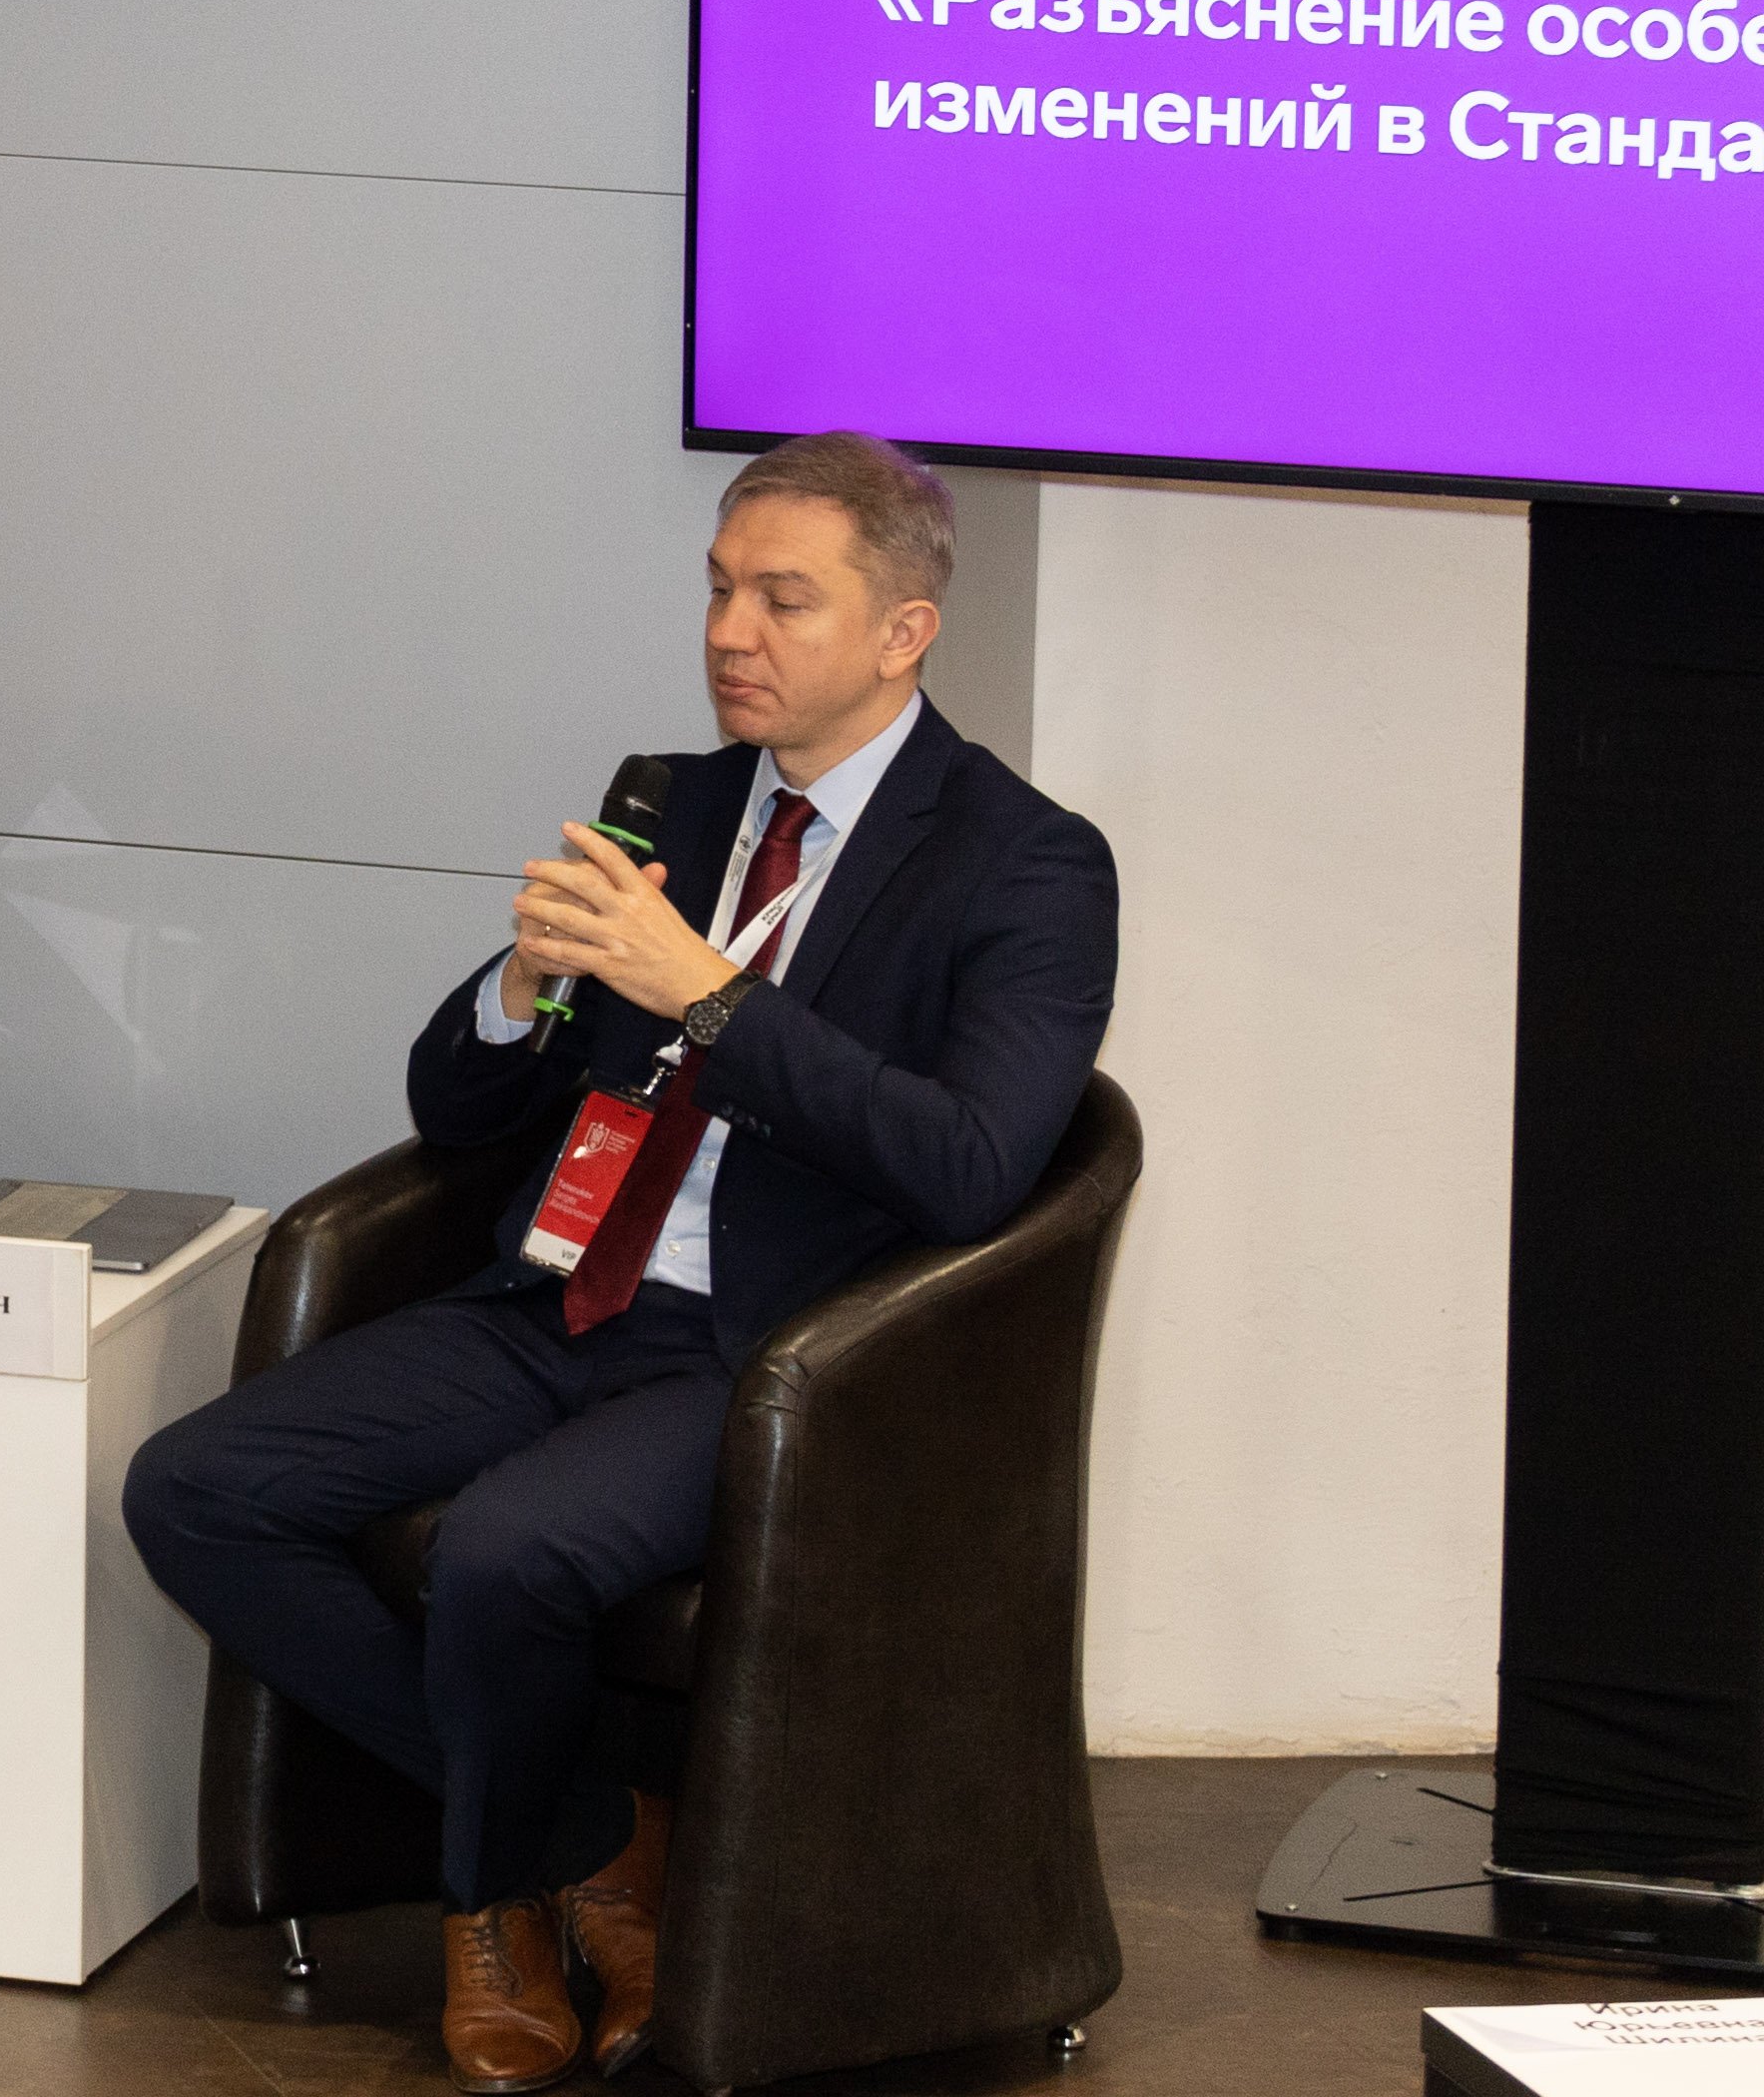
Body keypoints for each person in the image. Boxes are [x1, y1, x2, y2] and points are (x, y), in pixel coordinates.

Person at [120, 433, 1119, 2094]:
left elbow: (968, 1163)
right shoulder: (677, 801)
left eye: (783, 598)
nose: (731, 632)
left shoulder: (1025, 860)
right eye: (719, 590)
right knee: (197, 1490)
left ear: (904, 631)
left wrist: (708, 995)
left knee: (505, 1555)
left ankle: (489, 1907)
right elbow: (457, 1109)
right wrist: (524, 989)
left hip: (773, 1347)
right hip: (559, 1289)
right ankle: (582, 1838)